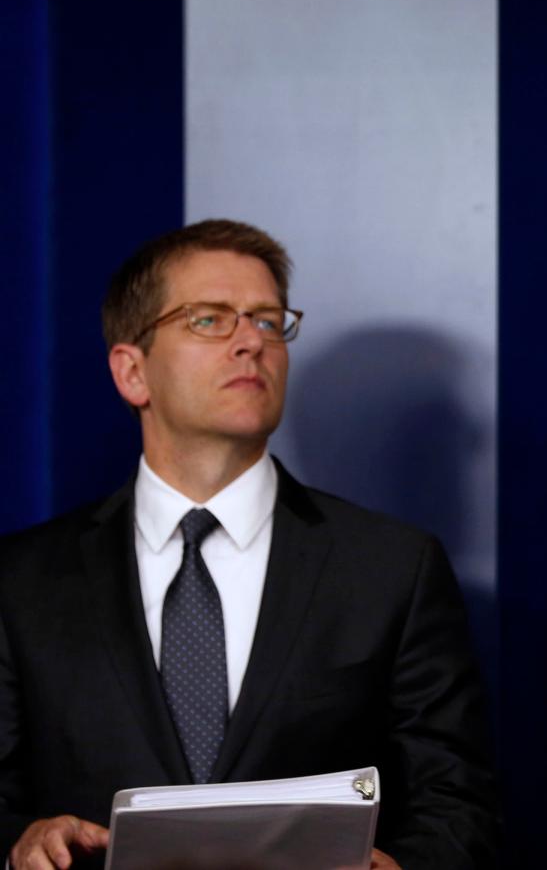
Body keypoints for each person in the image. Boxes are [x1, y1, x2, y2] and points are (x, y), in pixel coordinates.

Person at [0, 220, 502, 869]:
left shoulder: (392, 569)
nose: (251, 341)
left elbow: (458, 804)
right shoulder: (22, 581)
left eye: (268, 320)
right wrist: (21, 843)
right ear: (132, 372)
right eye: (209, 319)